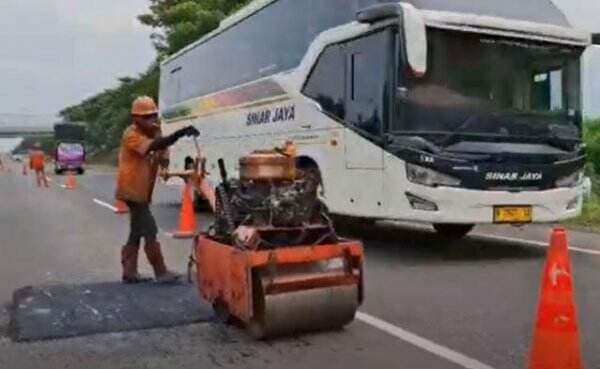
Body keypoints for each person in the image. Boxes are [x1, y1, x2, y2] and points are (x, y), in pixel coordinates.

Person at [116, 96, 199, 284]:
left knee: (136, 232)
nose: (151, 121)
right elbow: (152, 147)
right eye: (146, 117)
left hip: (143, 190)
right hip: (132, 190)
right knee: (150, 229)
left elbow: (162, 158)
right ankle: (160, 271)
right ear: (135, 118)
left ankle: (129, 272)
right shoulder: (131, 134)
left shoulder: (153, 132)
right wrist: (178, 134)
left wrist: (162, 141)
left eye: (153, 116)